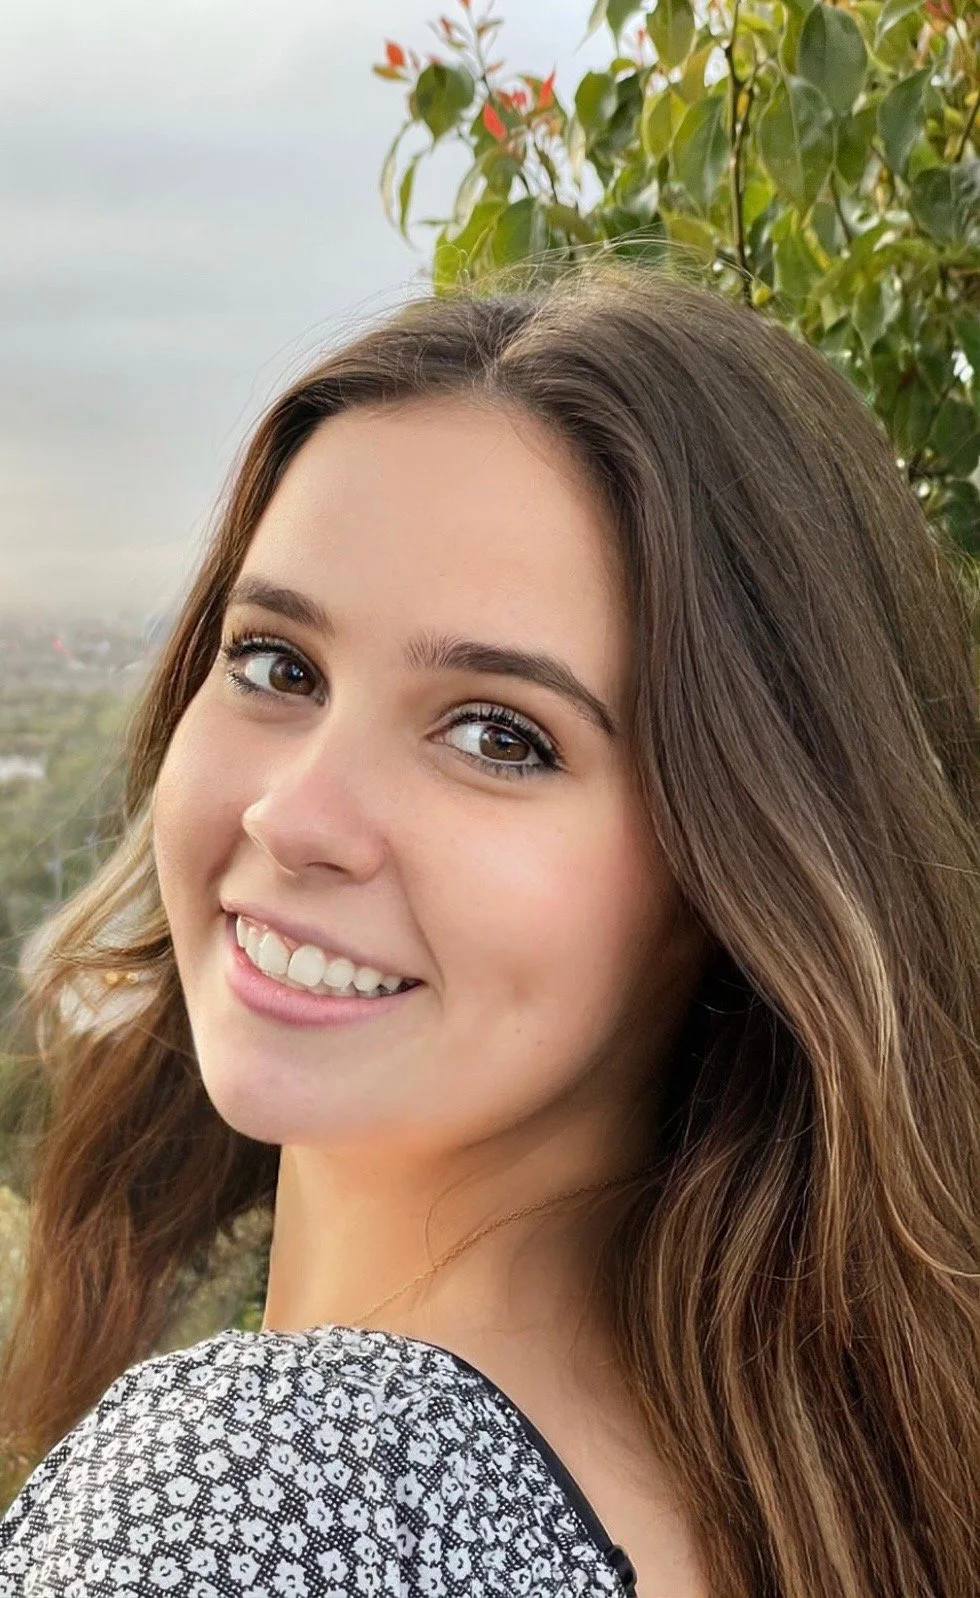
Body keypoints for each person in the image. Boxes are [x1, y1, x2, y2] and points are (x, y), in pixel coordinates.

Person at [0, 260, 977, 1598]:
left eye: (499, 736)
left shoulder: (261, 1505)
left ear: (733, 871)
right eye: (277, 665)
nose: (297, 815)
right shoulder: (826, 1494)